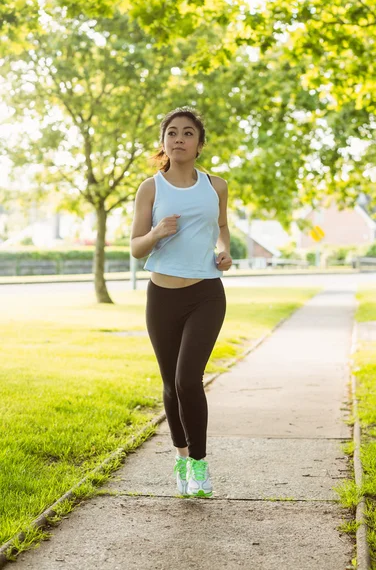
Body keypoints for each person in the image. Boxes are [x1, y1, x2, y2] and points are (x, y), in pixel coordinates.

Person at [130, 106, 232, 498]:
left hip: (206, 292)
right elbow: (137, 248)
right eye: (171, 132)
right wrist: (156, 233)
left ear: (200, 144)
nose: (179, 138)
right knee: (171, 385)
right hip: (161, 296)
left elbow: (222, 228)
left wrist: (224, 251)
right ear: (163, 143)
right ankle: (181, 456)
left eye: (188, 133)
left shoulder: (216, 186)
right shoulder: (150, 188)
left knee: (189, 379)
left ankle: (201, 466)